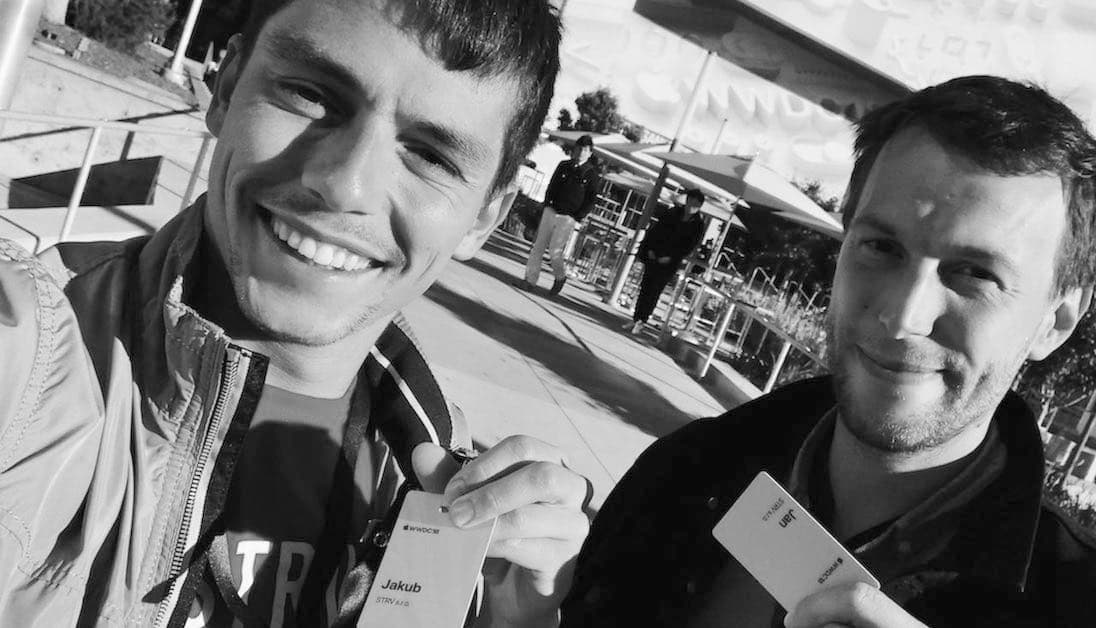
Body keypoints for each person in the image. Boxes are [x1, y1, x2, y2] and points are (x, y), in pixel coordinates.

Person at [0, 1, 591, 626]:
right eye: (312, 95)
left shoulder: (435, 473)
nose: (345, 185)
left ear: (483, 219)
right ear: (226, 88)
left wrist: (507, 618)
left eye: (433, 157)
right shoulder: (32, 354)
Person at [561, 75, 1096, 627]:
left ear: (1058, 319)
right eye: (882, 248)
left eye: (973, 274)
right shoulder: (686, 471)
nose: (903, 316)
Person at [522, 134, 600, 294]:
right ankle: (529, 280)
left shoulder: (591, 174)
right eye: (578, 148)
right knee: (538, 246)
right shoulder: (564, 165)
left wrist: (579, 216)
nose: (580, 152)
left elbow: (591, 199)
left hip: (568, 217)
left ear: (590, 153)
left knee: (554, 250)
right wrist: (547, 202)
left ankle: (560, 276)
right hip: (551, 210)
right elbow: (552, 185)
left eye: (584, 150)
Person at [624, 188, 707, 335]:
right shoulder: (673, 213)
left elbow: (689, 245)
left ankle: (642, 320)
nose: (690, 206)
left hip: (670, 261)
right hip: (655, 254)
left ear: (699, 206)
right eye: (689, 201)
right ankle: (636, 317)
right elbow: (657, 230)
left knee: (655, 290)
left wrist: (672, 257)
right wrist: (650, 249)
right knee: (645, 287)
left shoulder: (698, 224)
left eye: (695, 204)